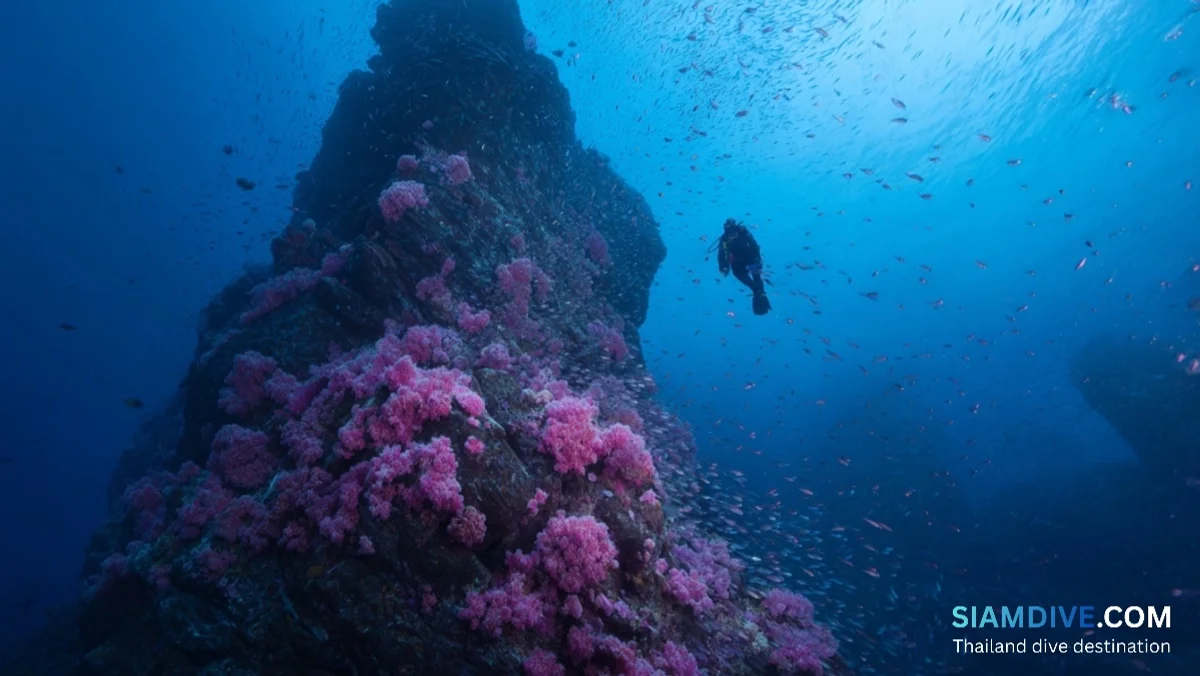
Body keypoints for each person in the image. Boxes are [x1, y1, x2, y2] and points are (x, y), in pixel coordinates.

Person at [717, 218, 771, 315]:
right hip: (738, 261)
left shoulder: (744, 232)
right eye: (730, 235)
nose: (732, 237)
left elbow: (754, 244)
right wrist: (724, 266)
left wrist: (757, 257)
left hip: (751, 257)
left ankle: (759, 293)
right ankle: (758, 292)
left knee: (756, 276)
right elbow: (722, 253)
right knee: (739, 274)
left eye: (734, 234)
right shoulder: (724, 239)